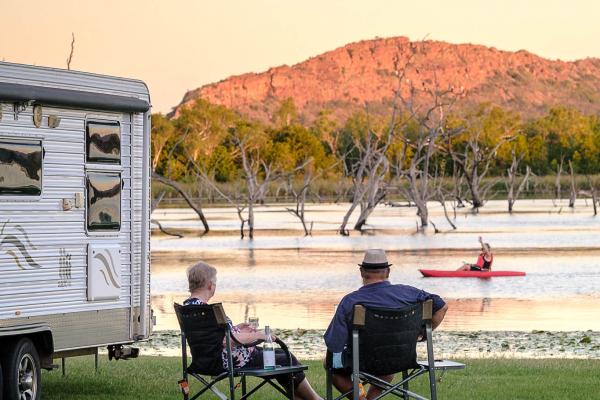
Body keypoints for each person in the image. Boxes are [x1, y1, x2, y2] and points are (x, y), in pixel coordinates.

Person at [184, 261, 323, 400]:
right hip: (229, 362)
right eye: (215, 282)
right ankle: (316, 399)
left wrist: (236, 328)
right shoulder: (210, 311)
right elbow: (228, 341)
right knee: (286, 358)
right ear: (209, 285)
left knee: (279, 356)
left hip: (204, 361)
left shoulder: (188, 309)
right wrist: (260, 335)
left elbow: (214, 337)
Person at [324, 249, 448, 400]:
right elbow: (442, 307)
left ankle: (362, 399)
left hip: (363, 361)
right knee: (387, 358)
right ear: (388, 271)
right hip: (400, 358)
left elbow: (334, 343)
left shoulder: (350, 301)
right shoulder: (411, 294)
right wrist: (421, 335)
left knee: (331, 363)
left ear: (362, 272)